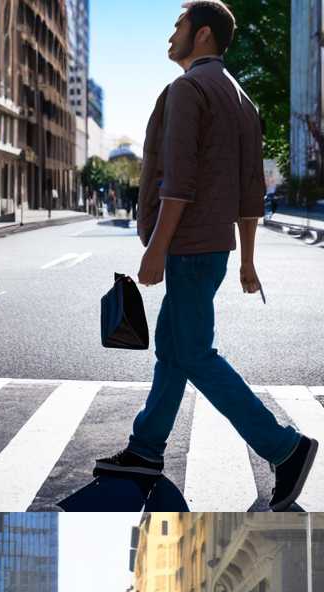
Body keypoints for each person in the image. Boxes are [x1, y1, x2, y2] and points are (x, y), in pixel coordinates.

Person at [95, 1, 318, 509]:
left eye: (177, 26)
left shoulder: (188, 89)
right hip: (214, 247)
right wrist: (246, 259)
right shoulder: (241, 99)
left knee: (193, 353)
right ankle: (146, 449)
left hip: (188, 246)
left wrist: (156, 249)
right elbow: (249, 191)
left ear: (202, 35)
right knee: (174, 348)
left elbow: (179, 181)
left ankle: (284, 448)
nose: (170, 36)